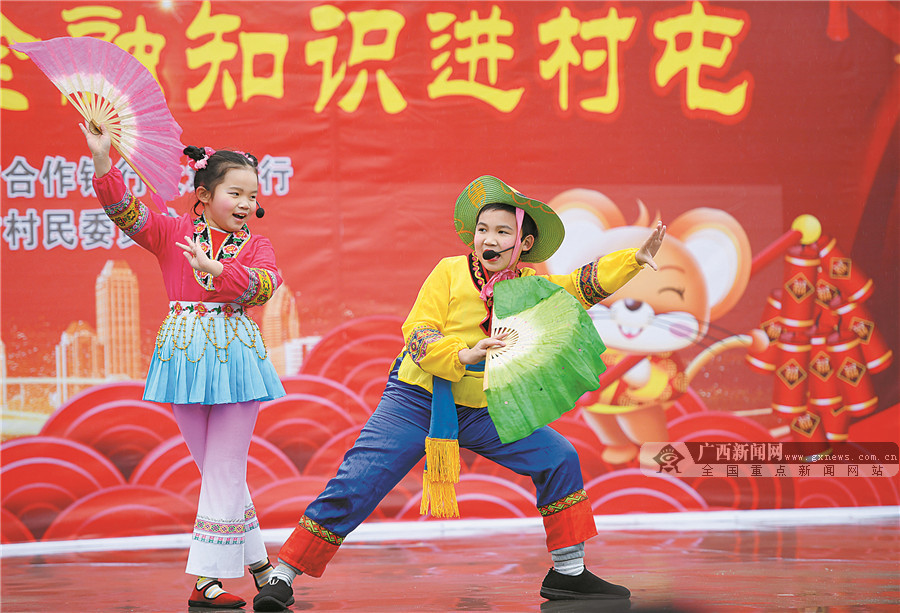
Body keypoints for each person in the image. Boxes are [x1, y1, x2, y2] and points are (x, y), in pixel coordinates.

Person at [254, 176, 665, 611]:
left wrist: (633, 260)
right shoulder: (449, 272)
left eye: (502, 232)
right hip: (417, 399)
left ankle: (569, 573)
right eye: (483, 230)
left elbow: (576, 288)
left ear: (524, 243)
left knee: (559, 457)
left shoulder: (530, 287)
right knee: (357, 482)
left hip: (483, 408)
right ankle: (284, 574)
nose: (489, 239)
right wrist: (462, 354)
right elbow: (418, 331)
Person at [81, 123, 286, 609]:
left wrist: (216, 269)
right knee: (217, 471)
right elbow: (125, 212)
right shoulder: (173, 233)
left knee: (224, 468)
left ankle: (205, 581)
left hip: (235, 359)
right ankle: (260, 565)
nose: (245, 203)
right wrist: (102, 159)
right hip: (182, 359)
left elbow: (265, 286)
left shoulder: (257, 246)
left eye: (252, 195)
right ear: (204, 195)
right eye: (235, 193)